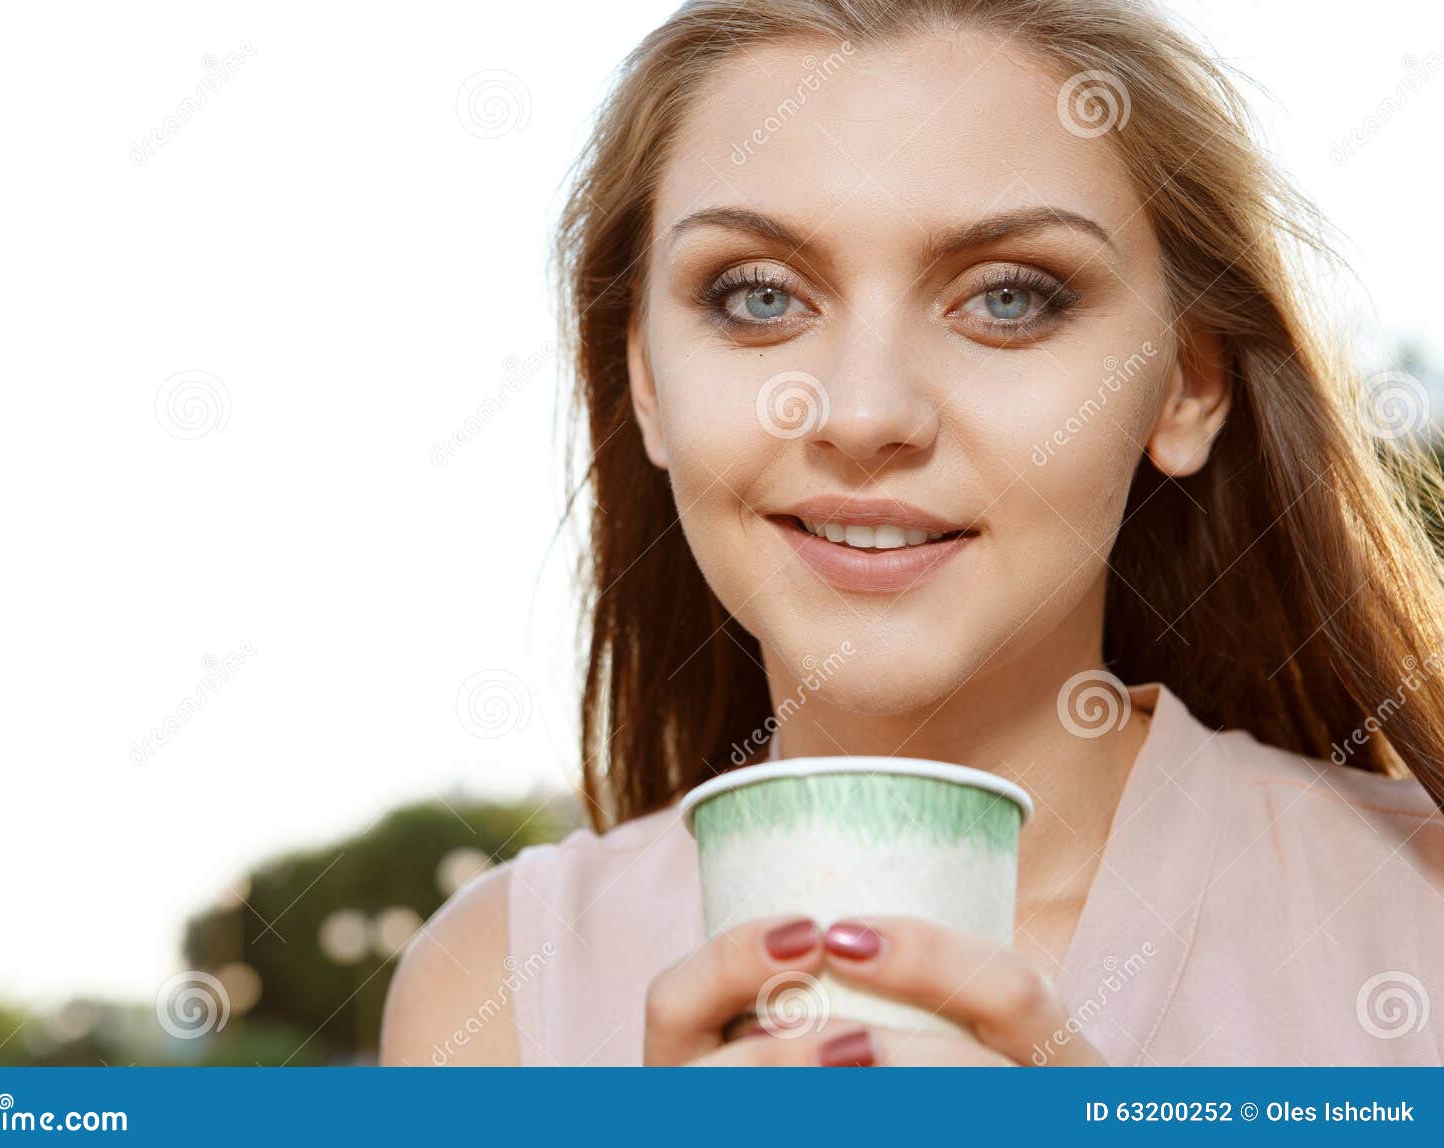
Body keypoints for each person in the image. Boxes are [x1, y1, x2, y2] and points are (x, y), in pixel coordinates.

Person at [382, 0, 1444, 1066]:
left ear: (1188, 381)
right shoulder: (495, 993)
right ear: (645, 380)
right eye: (756, 296)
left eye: (1012, 299)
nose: (863, 413)